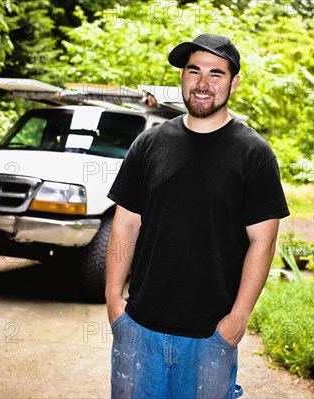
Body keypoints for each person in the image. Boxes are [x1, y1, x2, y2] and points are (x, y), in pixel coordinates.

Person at [106, 33, 290, 399]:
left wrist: (236, 321)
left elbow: (263, 241)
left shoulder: (254, 154)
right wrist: (114, 300)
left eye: (216, 74)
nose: (203, 83)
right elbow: (126, 224)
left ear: (233, 81)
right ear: (182, 77)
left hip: (210, 336)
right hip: (140, 329)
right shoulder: (149, 144)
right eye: (194, 71)